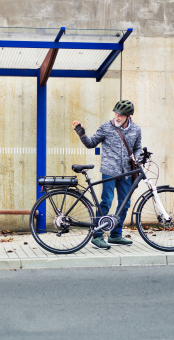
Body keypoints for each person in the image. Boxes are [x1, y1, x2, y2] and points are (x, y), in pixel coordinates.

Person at [72, 100, 142, 250]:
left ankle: (115, 234)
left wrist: (138, 157)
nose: (117, 117)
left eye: (121, 116)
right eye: (116, 114)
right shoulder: (106, 127)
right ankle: (97, 236)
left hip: (127, 172)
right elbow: (91, 143)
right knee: (106, 202)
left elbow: (138, 148)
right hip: (109, 171)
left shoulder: (136, 129)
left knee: (125, 204)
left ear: (128, 117)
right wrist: (81, 133)